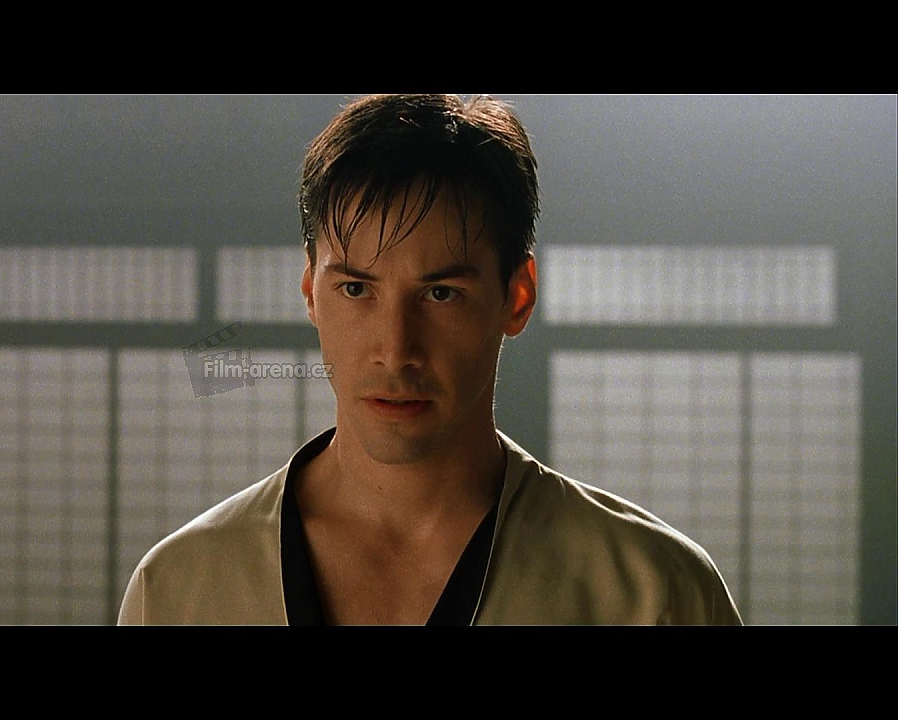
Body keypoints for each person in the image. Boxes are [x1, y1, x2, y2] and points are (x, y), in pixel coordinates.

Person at [118, 94, 743, 625]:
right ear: (311, 292)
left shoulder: (652, 593)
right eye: (356, 289)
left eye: (441, 294)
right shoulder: (181, 587)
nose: (396, 349)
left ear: (517, 297)